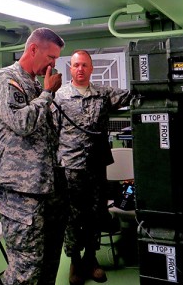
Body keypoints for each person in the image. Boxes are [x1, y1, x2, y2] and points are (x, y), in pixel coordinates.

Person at [0, 27, 67, 285]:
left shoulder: (34, 83)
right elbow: (22, 122)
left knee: (49, 261)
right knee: (25, 269)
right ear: (33, 49)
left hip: (48, 189)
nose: (54, 64)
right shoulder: (5, 80)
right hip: (20, 195)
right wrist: (47, 94)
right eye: (51, 57)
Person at [53, 50, 132, 285]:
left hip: (96, 166)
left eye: (84, 65)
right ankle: (75, 261)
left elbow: (131, 96)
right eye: (76, 65)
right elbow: (51, 131)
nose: (80, 69)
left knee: (95, 213)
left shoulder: (103, 94)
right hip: (70, 166)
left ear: (91, 68)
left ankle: (91, 258)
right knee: (72, 217)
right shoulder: (59, 97)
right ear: (70, 68)